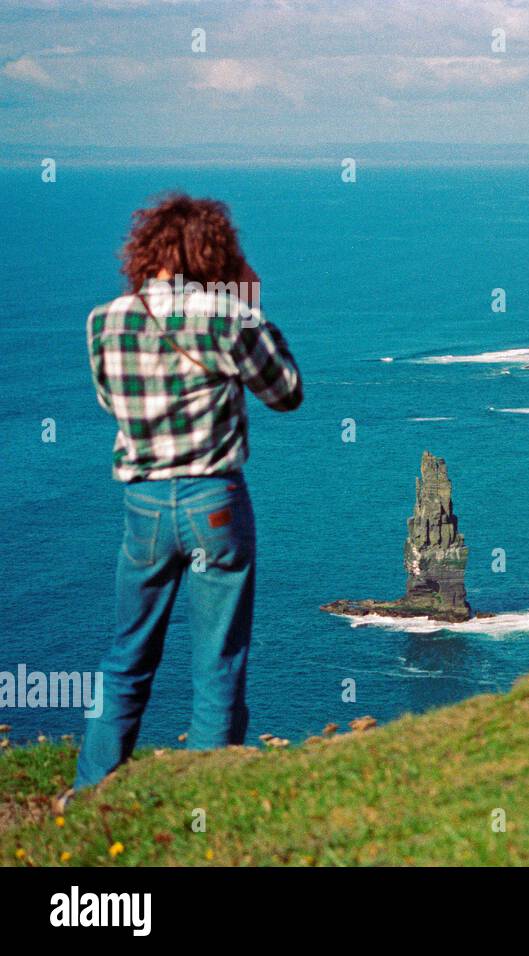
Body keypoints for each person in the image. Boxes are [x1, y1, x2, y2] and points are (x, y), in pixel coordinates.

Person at [66, 194, 302, 803]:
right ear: (214, 251)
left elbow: (111, 405)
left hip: (142, 506)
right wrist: (248, 300)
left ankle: (88, 796)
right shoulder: (227, 314)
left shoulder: (104, 320)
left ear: (145, 250)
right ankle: (204, 805)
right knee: (216, 662)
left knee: (126, 655)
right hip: (214, 502)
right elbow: (286, 391)